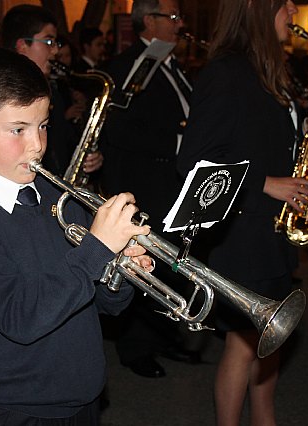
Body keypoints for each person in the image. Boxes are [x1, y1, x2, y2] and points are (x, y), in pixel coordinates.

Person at [0, 47, 153, 425]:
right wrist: (96, 248)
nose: (36, 144)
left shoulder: (56, 197)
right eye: (18, 129)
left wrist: (121, 270)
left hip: (81, 394)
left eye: (43, 125)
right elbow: (22, 317)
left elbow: (104, 304)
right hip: (14, 407)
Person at [176, 1, 308, 424]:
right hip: (243, 230)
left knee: (270, 340)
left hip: (271, 228)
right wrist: (266, 183)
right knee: (243, 345)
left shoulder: (271, 70)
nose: (293, 10)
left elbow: (259, 138)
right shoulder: (227, 71)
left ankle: (265, 419)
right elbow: (194, 161)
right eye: (284, 3)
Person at [101, 0, 199, 379]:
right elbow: (120, 130)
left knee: (174, 262)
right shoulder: (126, 66)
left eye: (179, 17)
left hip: (172, 182)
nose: (180, 24)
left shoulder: (174, 64)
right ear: (148, 21)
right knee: (145, 265)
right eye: (172, 17)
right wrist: (179, 143)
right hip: (145, 184)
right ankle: (136, 348)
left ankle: (165, 337)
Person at [1, 5, 100, 178]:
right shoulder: (0, 96)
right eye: (48, 42)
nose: (55, 51)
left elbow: (63, 144)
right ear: (22, 45)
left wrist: (88, 158)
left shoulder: (52, 90)